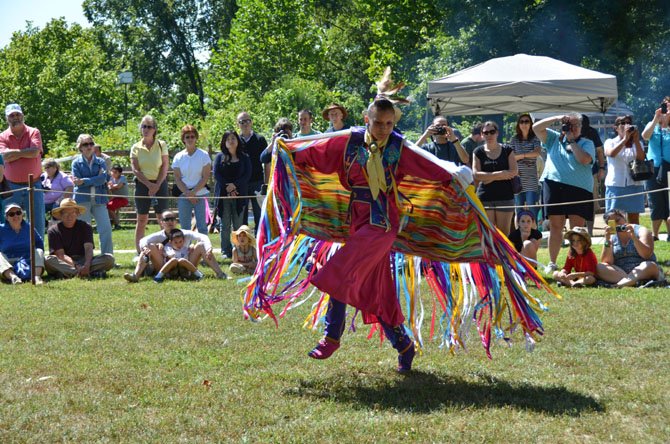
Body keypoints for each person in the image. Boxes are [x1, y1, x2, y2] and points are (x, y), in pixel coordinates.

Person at [291, 98, 469, 373]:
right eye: (378, 123)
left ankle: (332, 335)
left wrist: (453, 175)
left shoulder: (398, 147)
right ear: (366, 118)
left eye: (389, 123)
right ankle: (404, 345)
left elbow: (426, 166)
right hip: (357, 221)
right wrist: (289, 153)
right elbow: (319, 154)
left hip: (382, 224)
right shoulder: (349, 142)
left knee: (341, 268)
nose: (384, 128)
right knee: (378, 291)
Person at [533, 113, 595, 274]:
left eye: (576, 125)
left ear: (581, 127)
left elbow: (584, 160)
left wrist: (572, 140)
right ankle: (552, 262)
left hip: (579, 188)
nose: (572, 128)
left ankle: (576, 261)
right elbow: (536, 128)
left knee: (577, 229)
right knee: (555, 226)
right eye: (569, 125)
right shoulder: (554, 139)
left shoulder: (587, 143)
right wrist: (557, 118)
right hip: (553, 185)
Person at [124, 210, 226, 282]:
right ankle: (136, 276)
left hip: (186, 266)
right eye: (167, 219)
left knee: (201, 245)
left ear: (176, 222)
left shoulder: (185, 233)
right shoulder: (159, 235)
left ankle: (220, 274)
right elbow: (143, 240)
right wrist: (145, 248)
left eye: (172, 219)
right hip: (166, 267)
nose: (170, 222)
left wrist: (208, 248)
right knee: (148, 246)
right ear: (161, 222)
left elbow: (203, 237)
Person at [0, 104, 46, 237]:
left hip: (34, 184)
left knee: (37, 223)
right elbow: (4, 156)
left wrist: (14, 153)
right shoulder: (2, 136)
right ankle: (10, 253)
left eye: (17, 114)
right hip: (10, 186)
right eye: (12, 115)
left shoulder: (34, 132)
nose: (15, 118)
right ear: (6, 118)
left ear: (22, 115)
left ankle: (38, 253)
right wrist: (26, 151)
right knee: (8, 222)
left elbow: (35, 152)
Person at [44, 198, 115, 279]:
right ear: (60, 215)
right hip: (65, 262)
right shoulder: (53, 230)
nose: (69, 216)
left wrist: (87, 264)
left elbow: (88, 248)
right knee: (47, 260)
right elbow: (61, 255)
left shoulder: (86, 226)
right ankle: (88, 273)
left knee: (109, 259)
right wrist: (76, 266)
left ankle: (67, 274)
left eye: (72, 213)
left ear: (77, 214)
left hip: (83, 260)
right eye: (66, 213)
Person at [130, 115, 169, 253]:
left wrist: (157, 185)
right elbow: (135, 169)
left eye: (149, 126)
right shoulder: (135, 147)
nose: (145, 129)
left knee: (162, 218)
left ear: (155, 129)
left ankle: (167, 251)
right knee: (141, 219)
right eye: (143, 126)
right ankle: (139, 252)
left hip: (160, 183)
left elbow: (165, 166)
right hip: (142, 185)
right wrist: (149, 185)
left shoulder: (161, 144)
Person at [472, 121, 518, 232]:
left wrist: (487, 178)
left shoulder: (508, 150)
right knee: (488, 233)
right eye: (486, 132)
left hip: (505, 197)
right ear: (482, 135)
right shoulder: (478, 152)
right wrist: (500, 174)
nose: (489, 135)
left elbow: (513, 171)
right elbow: (476, 174)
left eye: (492, 132)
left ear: (497, 133)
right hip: (485, 197)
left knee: (503, 234)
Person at [597, 209, 662, 287]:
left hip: (643, 270)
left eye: (618, 220)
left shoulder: (641, 231)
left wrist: (633, 237)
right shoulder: (611, 236)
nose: (617, 224)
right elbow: (607, 262)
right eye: (613, 224)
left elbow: (646, 255)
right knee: (599, 267)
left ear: (623, 217)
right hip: (621, 272)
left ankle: (617, 285)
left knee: (649, 265)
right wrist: (607, 240)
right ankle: (631, 282)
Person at [71, 134, 113, 255]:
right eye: (85, 144)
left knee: (106, 229)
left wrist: (85, 180)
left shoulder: (101, 162)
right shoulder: (76, 163)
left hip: (100, 199)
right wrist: (95, 178)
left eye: (91, 143)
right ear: (80, 147)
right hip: (82, 200)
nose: (89, 146)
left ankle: (107, 257)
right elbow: (77, 183)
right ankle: (84, 257)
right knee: (84, 230)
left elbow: (103, 179)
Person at [214, 130, 251, 258]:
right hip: (224, 196)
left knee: (239, 225)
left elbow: (247, 175)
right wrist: (228, 187)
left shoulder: (244, 157)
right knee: (225, 225)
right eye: (228, 139)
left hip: (240, 195)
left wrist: (235, 186)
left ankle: (239, 249)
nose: (231, 141)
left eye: (233, 138)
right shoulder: (219, 157)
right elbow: (217, 175)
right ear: (225, 142)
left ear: (237, 140)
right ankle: (225, 251)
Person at [603, 116, 646, 224]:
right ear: (616, 128)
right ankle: (612, 240)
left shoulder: (638, 143)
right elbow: (611, 153)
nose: (626, 125)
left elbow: (641, 158)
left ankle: (633, 239)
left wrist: (635, 140)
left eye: (628, 123)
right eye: (622, 123)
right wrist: (624, 139)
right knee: (613, 218)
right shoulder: (610, 142)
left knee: (634, 218)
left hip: (635, 184)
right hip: (616, 185)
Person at [172, 124, 212, 234]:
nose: (190, 139)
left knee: (202, 226)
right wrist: (188, 194)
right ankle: (185, 250)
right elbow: (178, 179)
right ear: (183, 139)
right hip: (183, 195)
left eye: (192, 136)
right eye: (187, 137)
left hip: (201, 194)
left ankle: (204, 250)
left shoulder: (204, 155)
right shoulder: (178, 157)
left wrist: (194, 193)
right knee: (185, 227)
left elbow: (205, 177)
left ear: (196, 138)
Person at [641, 98, 670, 241]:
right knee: (655, 201)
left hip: (669, 168)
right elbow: (645, 136)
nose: (666, 110)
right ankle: (656, 234)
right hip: (653, 169)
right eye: (665, 107)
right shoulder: (652, 124)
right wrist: (655, 119)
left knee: (669, 201)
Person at [236, 112, 267, 233]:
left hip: (257, 182)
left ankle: (260, 244)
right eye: (242, 122)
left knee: (259, 215)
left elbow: (267, 162)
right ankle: (243, 246)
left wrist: (266, 182)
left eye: (247, 120)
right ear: (238, 124)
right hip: (241, 183)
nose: (245, 124)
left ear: (251, 122)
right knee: (241, 217)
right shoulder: (236, 141)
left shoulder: (260, 140)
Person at [0, 203, 45, 285]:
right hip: (9, 261)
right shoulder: (1, 229)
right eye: (11, 214)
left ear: (22, 215)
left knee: (39, 251)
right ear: (7, 217)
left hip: (28, 260)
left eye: (18, 213)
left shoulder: (29, 227)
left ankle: (36, 277)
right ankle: (13, 277)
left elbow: (39, 242)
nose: (15, 216)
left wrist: (38, 258)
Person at [509, 114, 542, 221]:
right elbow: (510, 157)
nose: (524, 124)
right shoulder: (514, 139)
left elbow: (537, 153)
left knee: (532, 208)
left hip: (531, 179)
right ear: (518, 124)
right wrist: (527, 154)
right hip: (517, 178)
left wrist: (521, 156)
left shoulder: (535, 138)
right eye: (521, 122)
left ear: (531, 124)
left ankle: (533, 232)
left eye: (526, 121)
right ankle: (519, 233)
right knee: (518, 208)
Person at [580, 115, 605, 234]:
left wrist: (601, 168)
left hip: (591, 171)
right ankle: (579, 230)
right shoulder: (569, 132)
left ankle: (590, 232)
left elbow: (600, 151)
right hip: (573, 173)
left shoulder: (592, 132)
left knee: (591, 202)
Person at [107, 165, 129, 230]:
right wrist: (110, 186)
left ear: (120, 173)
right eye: (112, 172)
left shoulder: (123, 178)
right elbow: (108, 187)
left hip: (123, 199)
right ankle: (113, 223)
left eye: (115, 172)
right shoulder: (111, 178)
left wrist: (111, 186)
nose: (113, 173)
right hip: (114, 199)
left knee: (109, 206)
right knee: (106, 205)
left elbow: (119, 186)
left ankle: (116, 224)